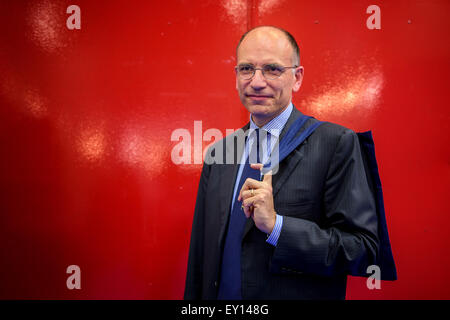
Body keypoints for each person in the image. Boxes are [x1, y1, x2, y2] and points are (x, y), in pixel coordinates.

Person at [184, 26, 384, 300]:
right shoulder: (219, 153)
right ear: (236, 76)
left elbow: (362, 250)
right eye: (246, 69)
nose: (256, 81)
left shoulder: (336, 143)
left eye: (272, 69)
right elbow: (200, 256)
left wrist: (277, 226)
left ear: (297, 77)